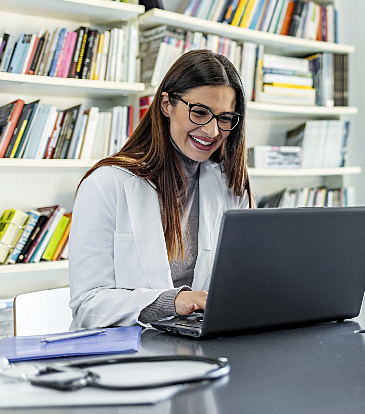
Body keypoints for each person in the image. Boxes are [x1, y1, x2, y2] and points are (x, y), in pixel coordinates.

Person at [69, 50, 254, 328]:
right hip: (127, 353)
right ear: (167, 104)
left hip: (200, 344)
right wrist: (172, 301)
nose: (213, 131)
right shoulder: (106, 184)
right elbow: (88, 306)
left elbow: (242, 282)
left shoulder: (230, 186)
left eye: (225, 118)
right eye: (201, 112)